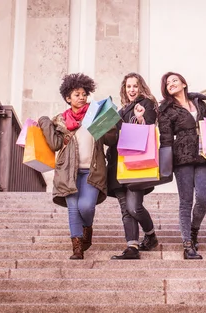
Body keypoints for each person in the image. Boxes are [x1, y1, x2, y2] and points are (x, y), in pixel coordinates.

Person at [38, 73, 117, 260]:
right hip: (67, 172)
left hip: (92, 170)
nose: (81, 97)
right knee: (73, 209)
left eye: (84, 94)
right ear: (68, 98)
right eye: (76, 94)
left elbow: (111, 139)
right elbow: (55, 144)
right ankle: (77, 247)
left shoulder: (95, 114)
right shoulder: (61, 120)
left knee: (86, 206)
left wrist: (106, 123)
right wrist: (43, 121)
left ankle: (87, 228)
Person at [158, 72, 206, 260]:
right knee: (186, 202)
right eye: (167, 83)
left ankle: (194, 230)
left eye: (174, 80)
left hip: (204, 155)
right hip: (182, 158)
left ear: (184, 83)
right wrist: (165, 162)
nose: (171, 84)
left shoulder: (200, 103)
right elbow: (165, 137)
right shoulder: (167, 109)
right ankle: (187, 245)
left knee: (203, 197)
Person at [106, 73, 160, 260]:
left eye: (135, 86)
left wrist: (139, 119)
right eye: (128, 86)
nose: (132, 90)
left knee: (134, 207)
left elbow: (150, 128)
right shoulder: (120, 111)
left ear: (141, 87)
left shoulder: (146, 104)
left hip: (136, 163)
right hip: (117, 164)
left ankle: (150, 235)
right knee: (125, 209)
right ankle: (132, 247)